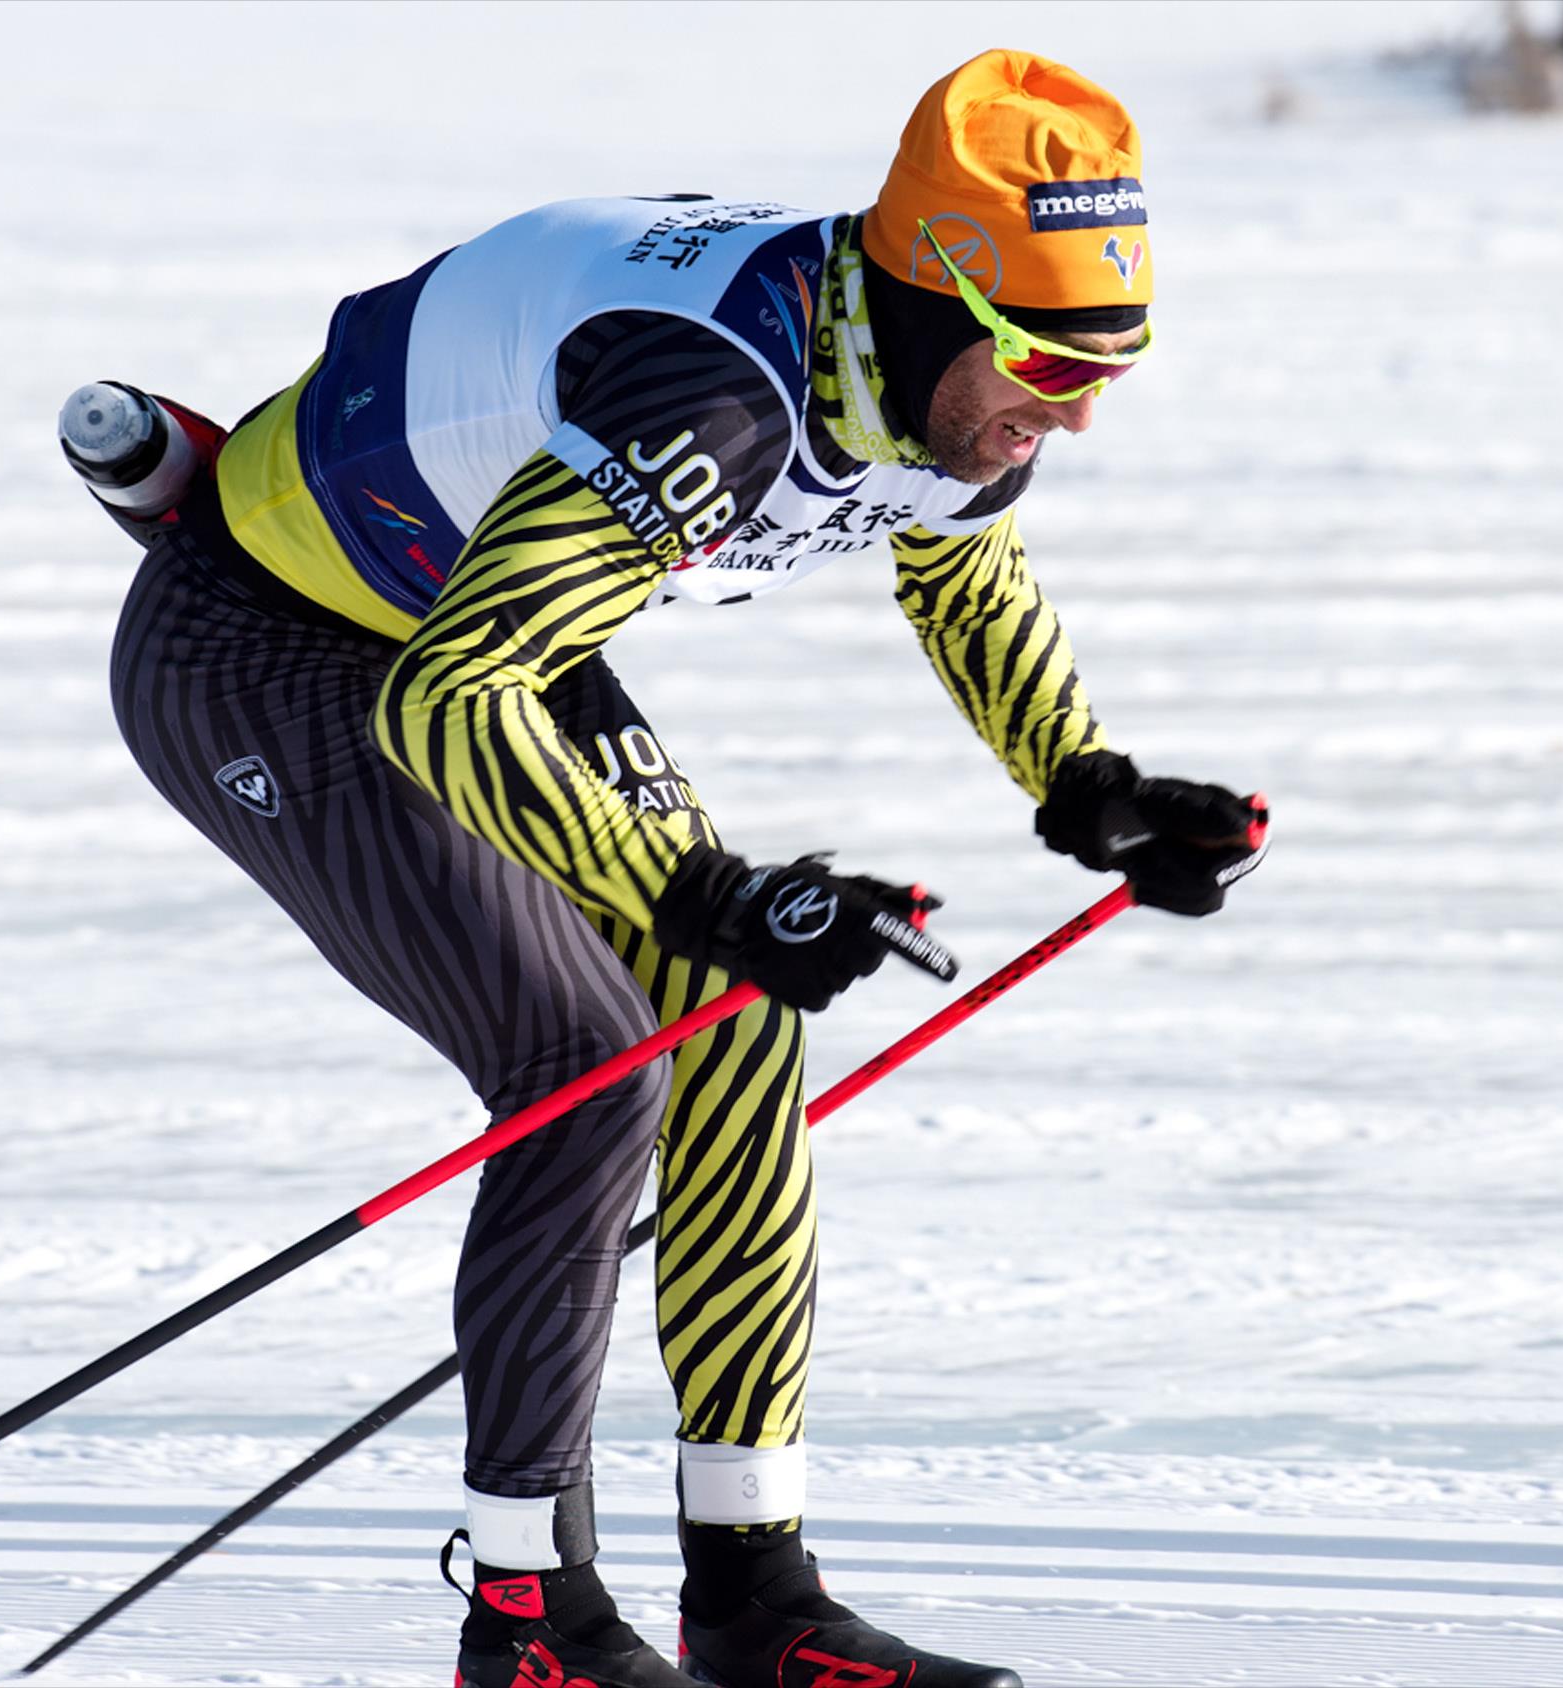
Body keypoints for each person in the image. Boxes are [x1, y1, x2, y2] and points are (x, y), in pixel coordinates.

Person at [70, 49, 1267, 1688]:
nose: (1065, 410)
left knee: (729, 1021)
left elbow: (956, 560)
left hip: (463, 616)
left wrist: (1089, 783)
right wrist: (702, 894)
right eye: (1047, 362)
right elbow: (448, 702)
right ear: (934, 299)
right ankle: (528, 1625)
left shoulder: (933, 372)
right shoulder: (712, 394)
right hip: (267, 653)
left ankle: (754, 1595)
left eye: (1106, 369)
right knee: (586, 1067)